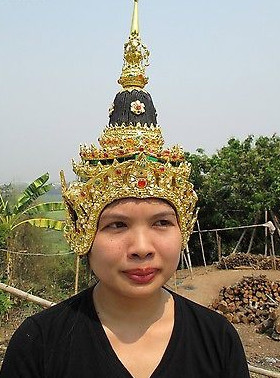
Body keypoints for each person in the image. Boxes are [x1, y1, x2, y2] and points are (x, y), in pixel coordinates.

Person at [0, 1, 250, 377]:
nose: (142, 248)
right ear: (82, 230)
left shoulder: (218, 340)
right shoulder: (39, 344)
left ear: (186, 225)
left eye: (162, 222)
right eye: (116, 225)